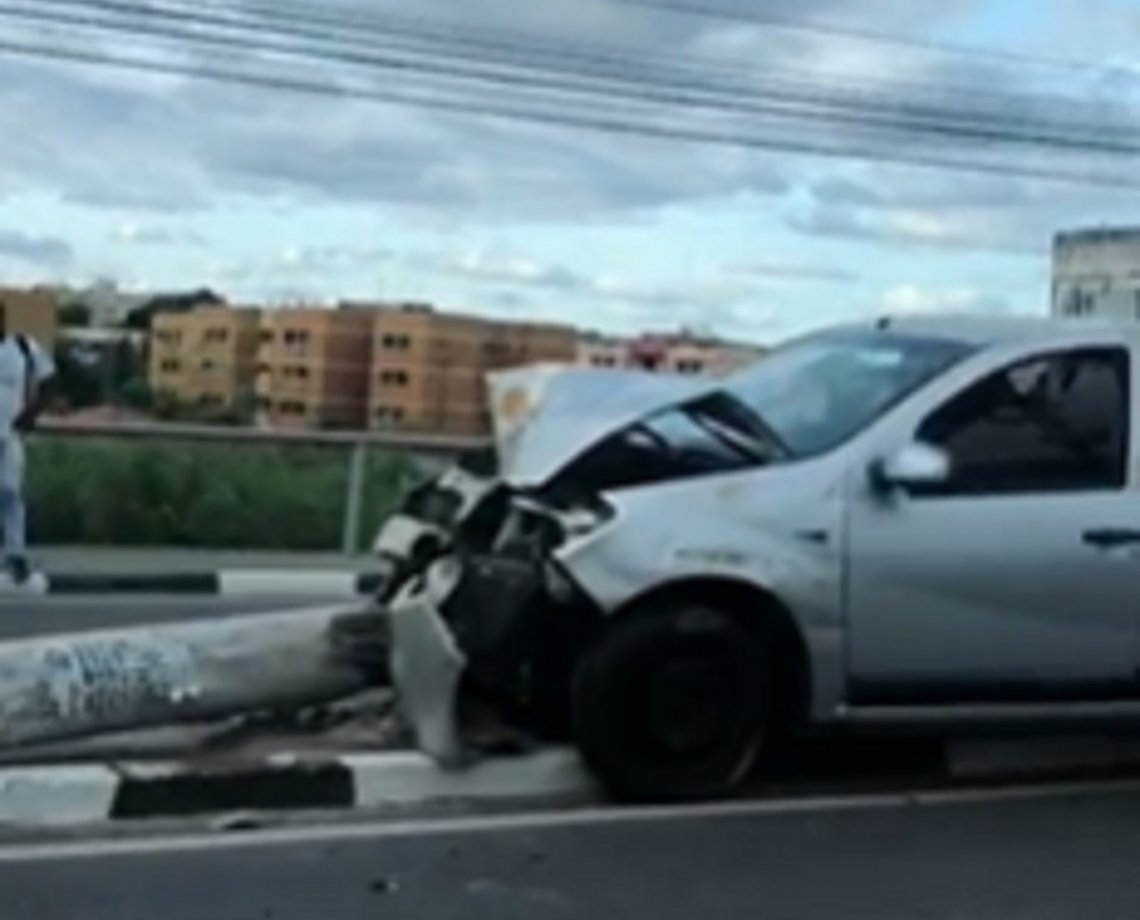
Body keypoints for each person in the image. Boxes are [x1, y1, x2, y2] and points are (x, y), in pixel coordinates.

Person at [0, 301, 54, 590]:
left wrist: (31, 414)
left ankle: (15, 554)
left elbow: (48, 382)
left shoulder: (22, 348)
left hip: (10, 434)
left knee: (10, 491)